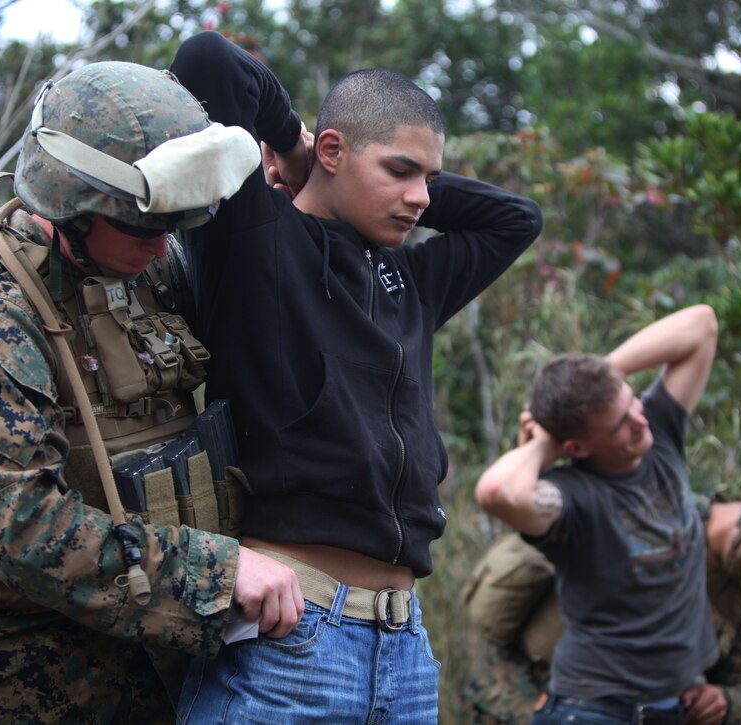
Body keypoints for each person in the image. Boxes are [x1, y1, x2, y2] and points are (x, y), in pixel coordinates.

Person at [0, 61, 302, 723]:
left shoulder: (147, 270)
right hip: (21, 676)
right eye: (145, 225)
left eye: (175, 223)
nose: (164, 242)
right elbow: (21, 525)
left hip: (163, 668)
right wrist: (215, 572)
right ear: (72, 202)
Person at [168, 30, 543, 722]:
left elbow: (515, 220)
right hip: (291, 636)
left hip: (404, 648)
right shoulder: (255, 236)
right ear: (336, 151)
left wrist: (391, 174)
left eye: (430, 177)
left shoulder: (412, 279)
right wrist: (294, 145)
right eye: (401, 171)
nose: (422, 197)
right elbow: (206, 62)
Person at [464, 454, 741, 725]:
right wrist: (531, 710)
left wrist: (724, 704)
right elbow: (497, 625)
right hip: (523, 700)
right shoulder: (646, 511)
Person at [475, 304, 721, 724]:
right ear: (576, 448)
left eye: (632, 403)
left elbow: (702, 324)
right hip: (593, 710)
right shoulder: (572, 498)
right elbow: (498, 492)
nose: (639, 422)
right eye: (619, 425)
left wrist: (597, 378)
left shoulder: (658, 430)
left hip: (670, 708)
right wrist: (544, 441)